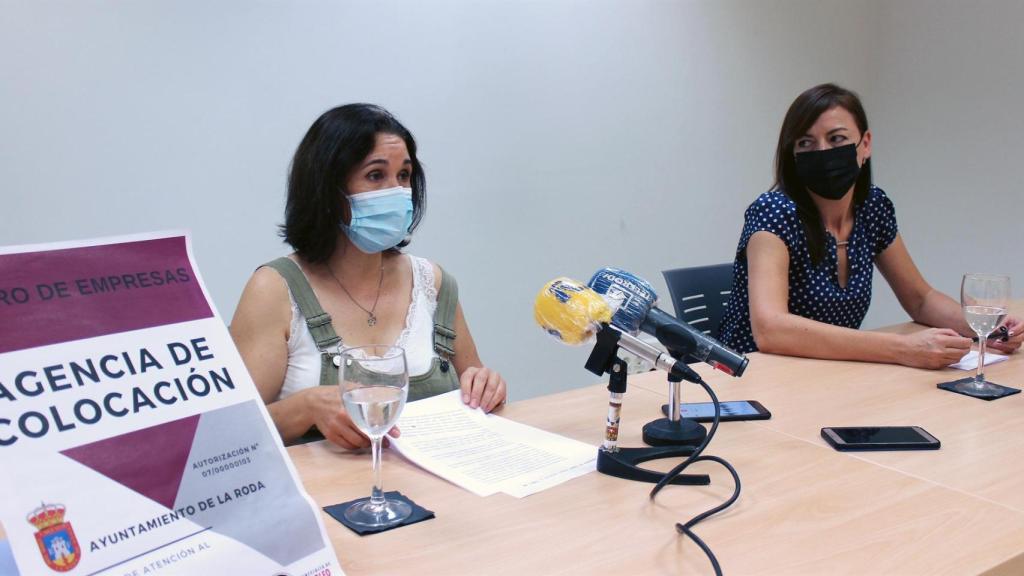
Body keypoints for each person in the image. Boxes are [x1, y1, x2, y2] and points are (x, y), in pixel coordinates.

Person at [231, 104, 507, 448]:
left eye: (404, 176)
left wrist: (486, 386)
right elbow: (231, 435)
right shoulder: (274, 288)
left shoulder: (431, 282)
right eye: (376, 176)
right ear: (328, 189)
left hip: (430, 493)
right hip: (324, 497)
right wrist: (304, 408)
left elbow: (475, 385)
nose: (397, 192)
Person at [718, 83, 1022, 368]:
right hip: (756, 375)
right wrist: (903, 349)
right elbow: (771, 330)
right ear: (793, 155)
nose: (822, 152)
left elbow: (920, 299)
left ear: (865, 144)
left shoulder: (871, 207)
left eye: (836, 139)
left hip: (833, 373)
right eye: (806, 143)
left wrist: (986, 328)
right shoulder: (773, 213)